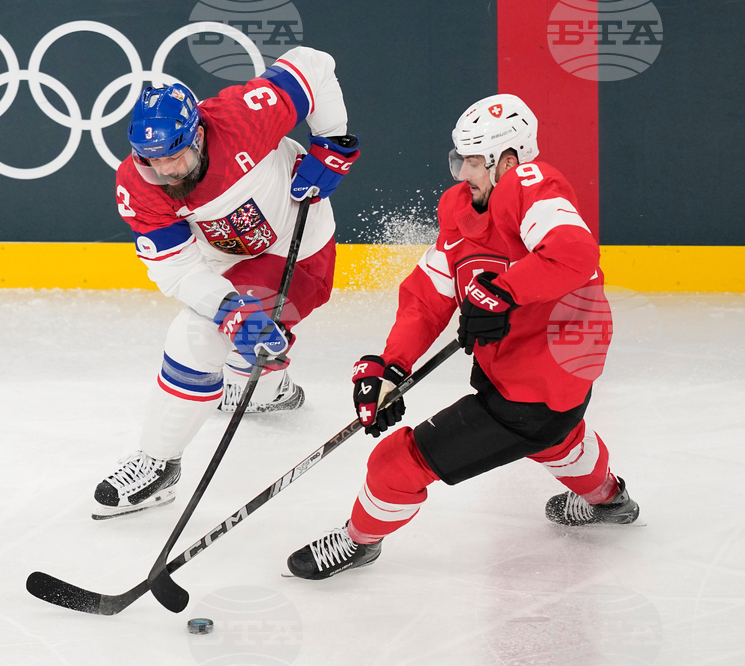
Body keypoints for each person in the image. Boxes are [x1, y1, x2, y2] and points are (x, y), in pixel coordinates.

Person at [285, 94, 640, 579]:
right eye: (461, 159)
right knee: (556, 441)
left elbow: (574, 254)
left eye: (475, 161)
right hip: (521, 372)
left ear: (508, 161)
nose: (463, 173)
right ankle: (609, 499)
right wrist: (392, 364)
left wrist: (503, 292)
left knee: (397, 463)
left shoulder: (533, 187)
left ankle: (358, 541)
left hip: (545, 378)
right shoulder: (459, 207)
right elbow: (430, 293)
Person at [93, 47, 360, 519]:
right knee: (227, 328)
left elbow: (314, 64)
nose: (165, 172)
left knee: (195, 335)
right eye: (151, 161)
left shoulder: (243, 117)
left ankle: (158, 462)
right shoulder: (138, 184)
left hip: (296, 248)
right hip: (226, 262)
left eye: (175, 157)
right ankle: (269, 388)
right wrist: (229, 309)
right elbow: (178, 268)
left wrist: (331, 141)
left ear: (198, 135)